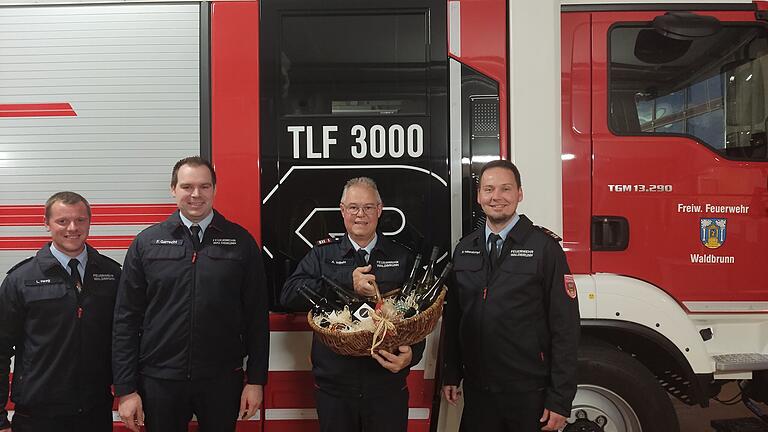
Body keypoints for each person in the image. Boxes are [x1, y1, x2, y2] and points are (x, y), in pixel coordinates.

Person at [112, 156, 269, 432]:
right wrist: (126, 389)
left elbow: (257, 318)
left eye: (204, 186)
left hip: (221, 380)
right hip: (160, 380)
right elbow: (126, 320)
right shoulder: (146, 244)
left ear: (215, 189)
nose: (196, 195)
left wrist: (255, 381)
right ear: (173, 189)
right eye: (187, 186)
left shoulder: (240, 242)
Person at [442, 160, 580, 432]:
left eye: (506, 189)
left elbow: (566, 328)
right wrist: (451, 371)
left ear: (519, 193)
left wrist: (560, 399)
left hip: (529, 393)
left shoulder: (545, 249)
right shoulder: (465, 249)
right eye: (489, 189)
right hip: (478, 392)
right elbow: (456, 316)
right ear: (479, 196)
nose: (496, 197)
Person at [281, 177, 421, 432]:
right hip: (335, 390)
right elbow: (289, 294)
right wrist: (345, 282)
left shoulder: (402, 257)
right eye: (354, 207)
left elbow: (416, 315)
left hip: (386, 389)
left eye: (368, 207)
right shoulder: (322, 255)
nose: (361, 214)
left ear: (379, 210)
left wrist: (413, 355)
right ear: (342, 211)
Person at [0, 192, 121, 432]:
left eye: (80, 220)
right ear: (46, 224)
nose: (72, 228)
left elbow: (126, 338)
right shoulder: (21, 279)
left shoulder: (112, 274)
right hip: (38, 414)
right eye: (62, 221)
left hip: (94, 411)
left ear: (90, 222)